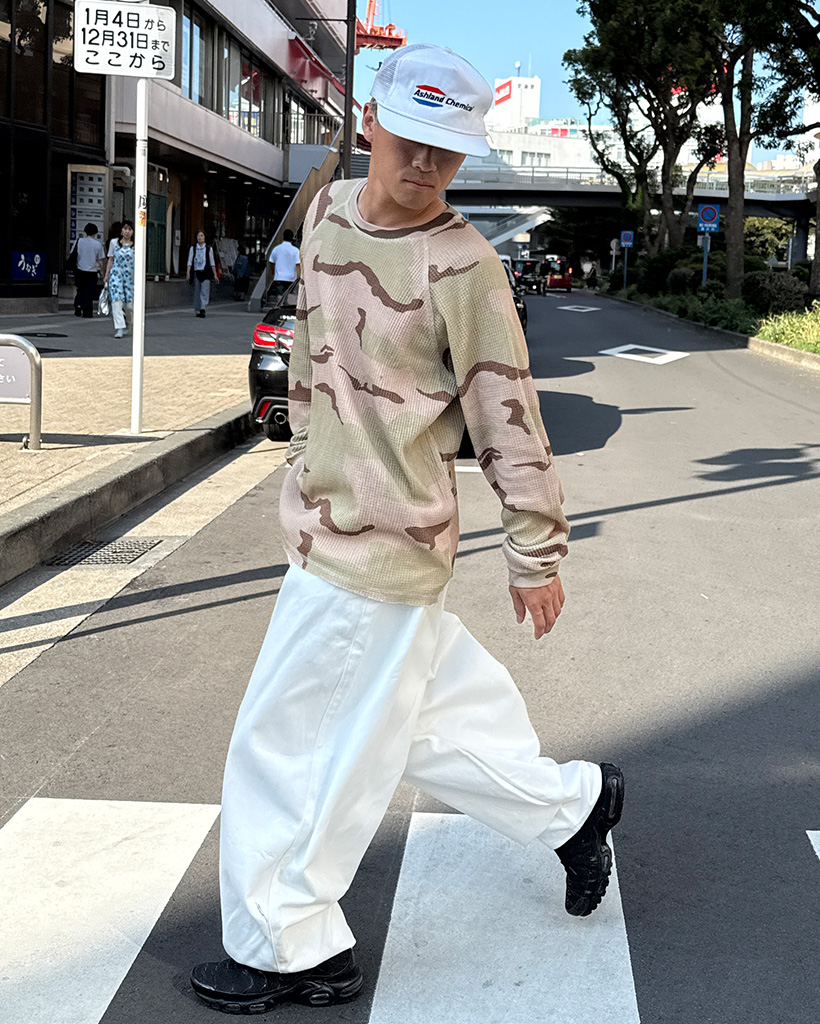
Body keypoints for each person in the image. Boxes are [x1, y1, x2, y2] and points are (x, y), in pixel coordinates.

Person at [191, 43, 624, 1015]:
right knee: (417, 729)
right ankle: (574, 808)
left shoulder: (464, 265)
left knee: (295, 748)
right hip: (327, 524)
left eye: (447, 148)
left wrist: (534, 549)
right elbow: (312, 347)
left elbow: (507, 410)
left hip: (382, 545)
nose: (425, 164)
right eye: (410, 138)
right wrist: (307, 459)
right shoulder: (328, 213)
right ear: (370, 123)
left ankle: (292, 945)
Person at [104, 220, 135, 339]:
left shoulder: (136, 245)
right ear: (121, 230)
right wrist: (107, 275)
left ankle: (129, 323)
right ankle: (119, 328)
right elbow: (110, 259)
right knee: (116, 301)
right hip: (116, 274)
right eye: (125, 229)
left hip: (130, 277)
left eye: (130, 229)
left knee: (130, 306)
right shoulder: (114, 243)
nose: (127, 231)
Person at [72, 223, 106, 319]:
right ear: (95, 233)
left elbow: (73, 253)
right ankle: (87, 311)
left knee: (80, 289)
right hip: (92, 271)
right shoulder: (97, 245)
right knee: (89, 292)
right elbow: (100, 260)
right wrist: (101, 271)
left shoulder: (79, 241)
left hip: (80, 269)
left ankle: (78, 306)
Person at [187, 230, 217, 318]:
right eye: (198, 236)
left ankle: (203, 308)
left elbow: (212, 262)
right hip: (197, 271)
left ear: (204, 237)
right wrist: (188, 272)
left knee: (205, 291)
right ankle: (197, 310)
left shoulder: (208, 249)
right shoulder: (193, 248)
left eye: (201, 236)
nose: (200, 237)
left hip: (206, 271)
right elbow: (190, 261)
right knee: (197, 291)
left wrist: (215, 274)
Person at [266, 228, 300, 302]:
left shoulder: (276, 249)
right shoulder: (296, 250)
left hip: (279, 276)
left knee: (279, 294)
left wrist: (273, 273)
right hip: (291, 277)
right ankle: (284, 305)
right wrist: (298, 276)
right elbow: (298, 264)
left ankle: (279, 305)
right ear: (292, 238)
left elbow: (272, 262)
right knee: (287, 294)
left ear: (283, 236)